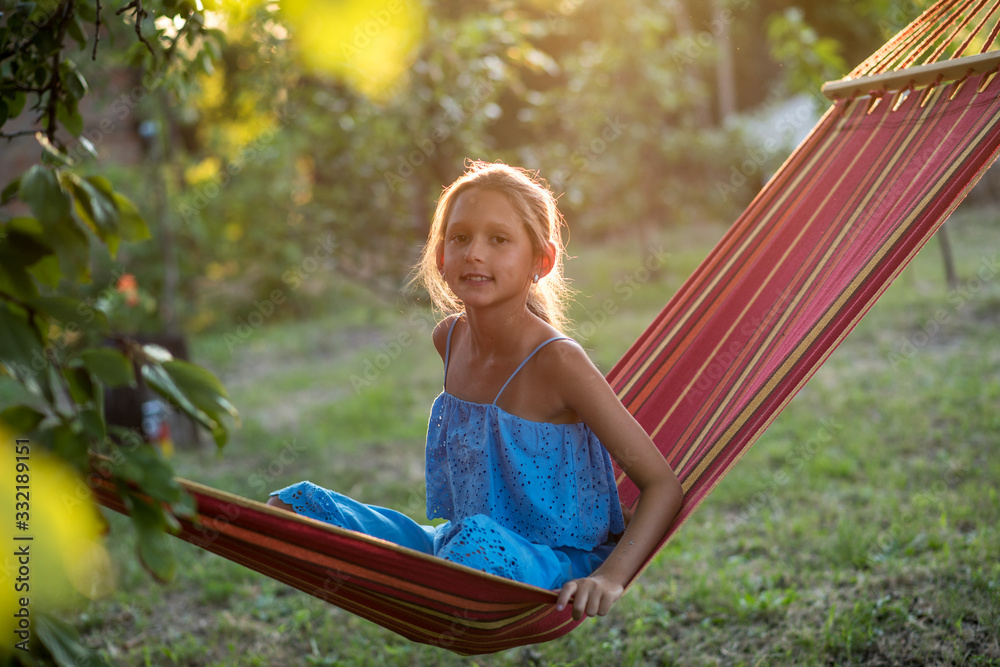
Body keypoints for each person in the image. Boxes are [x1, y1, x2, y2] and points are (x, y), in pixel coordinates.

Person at [267, 160, 683, 621]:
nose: (474, 254)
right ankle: (416, 574)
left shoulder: (557, 362)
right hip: (458, 544)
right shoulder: (449, 338)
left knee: (471, 552)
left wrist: (610, 576)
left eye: (499, 239)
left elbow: (662, 485)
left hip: (551, 563)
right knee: (294, 506)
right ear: (441, 256)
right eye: (460, 237)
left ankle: (432, 576)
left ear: (540, 262)